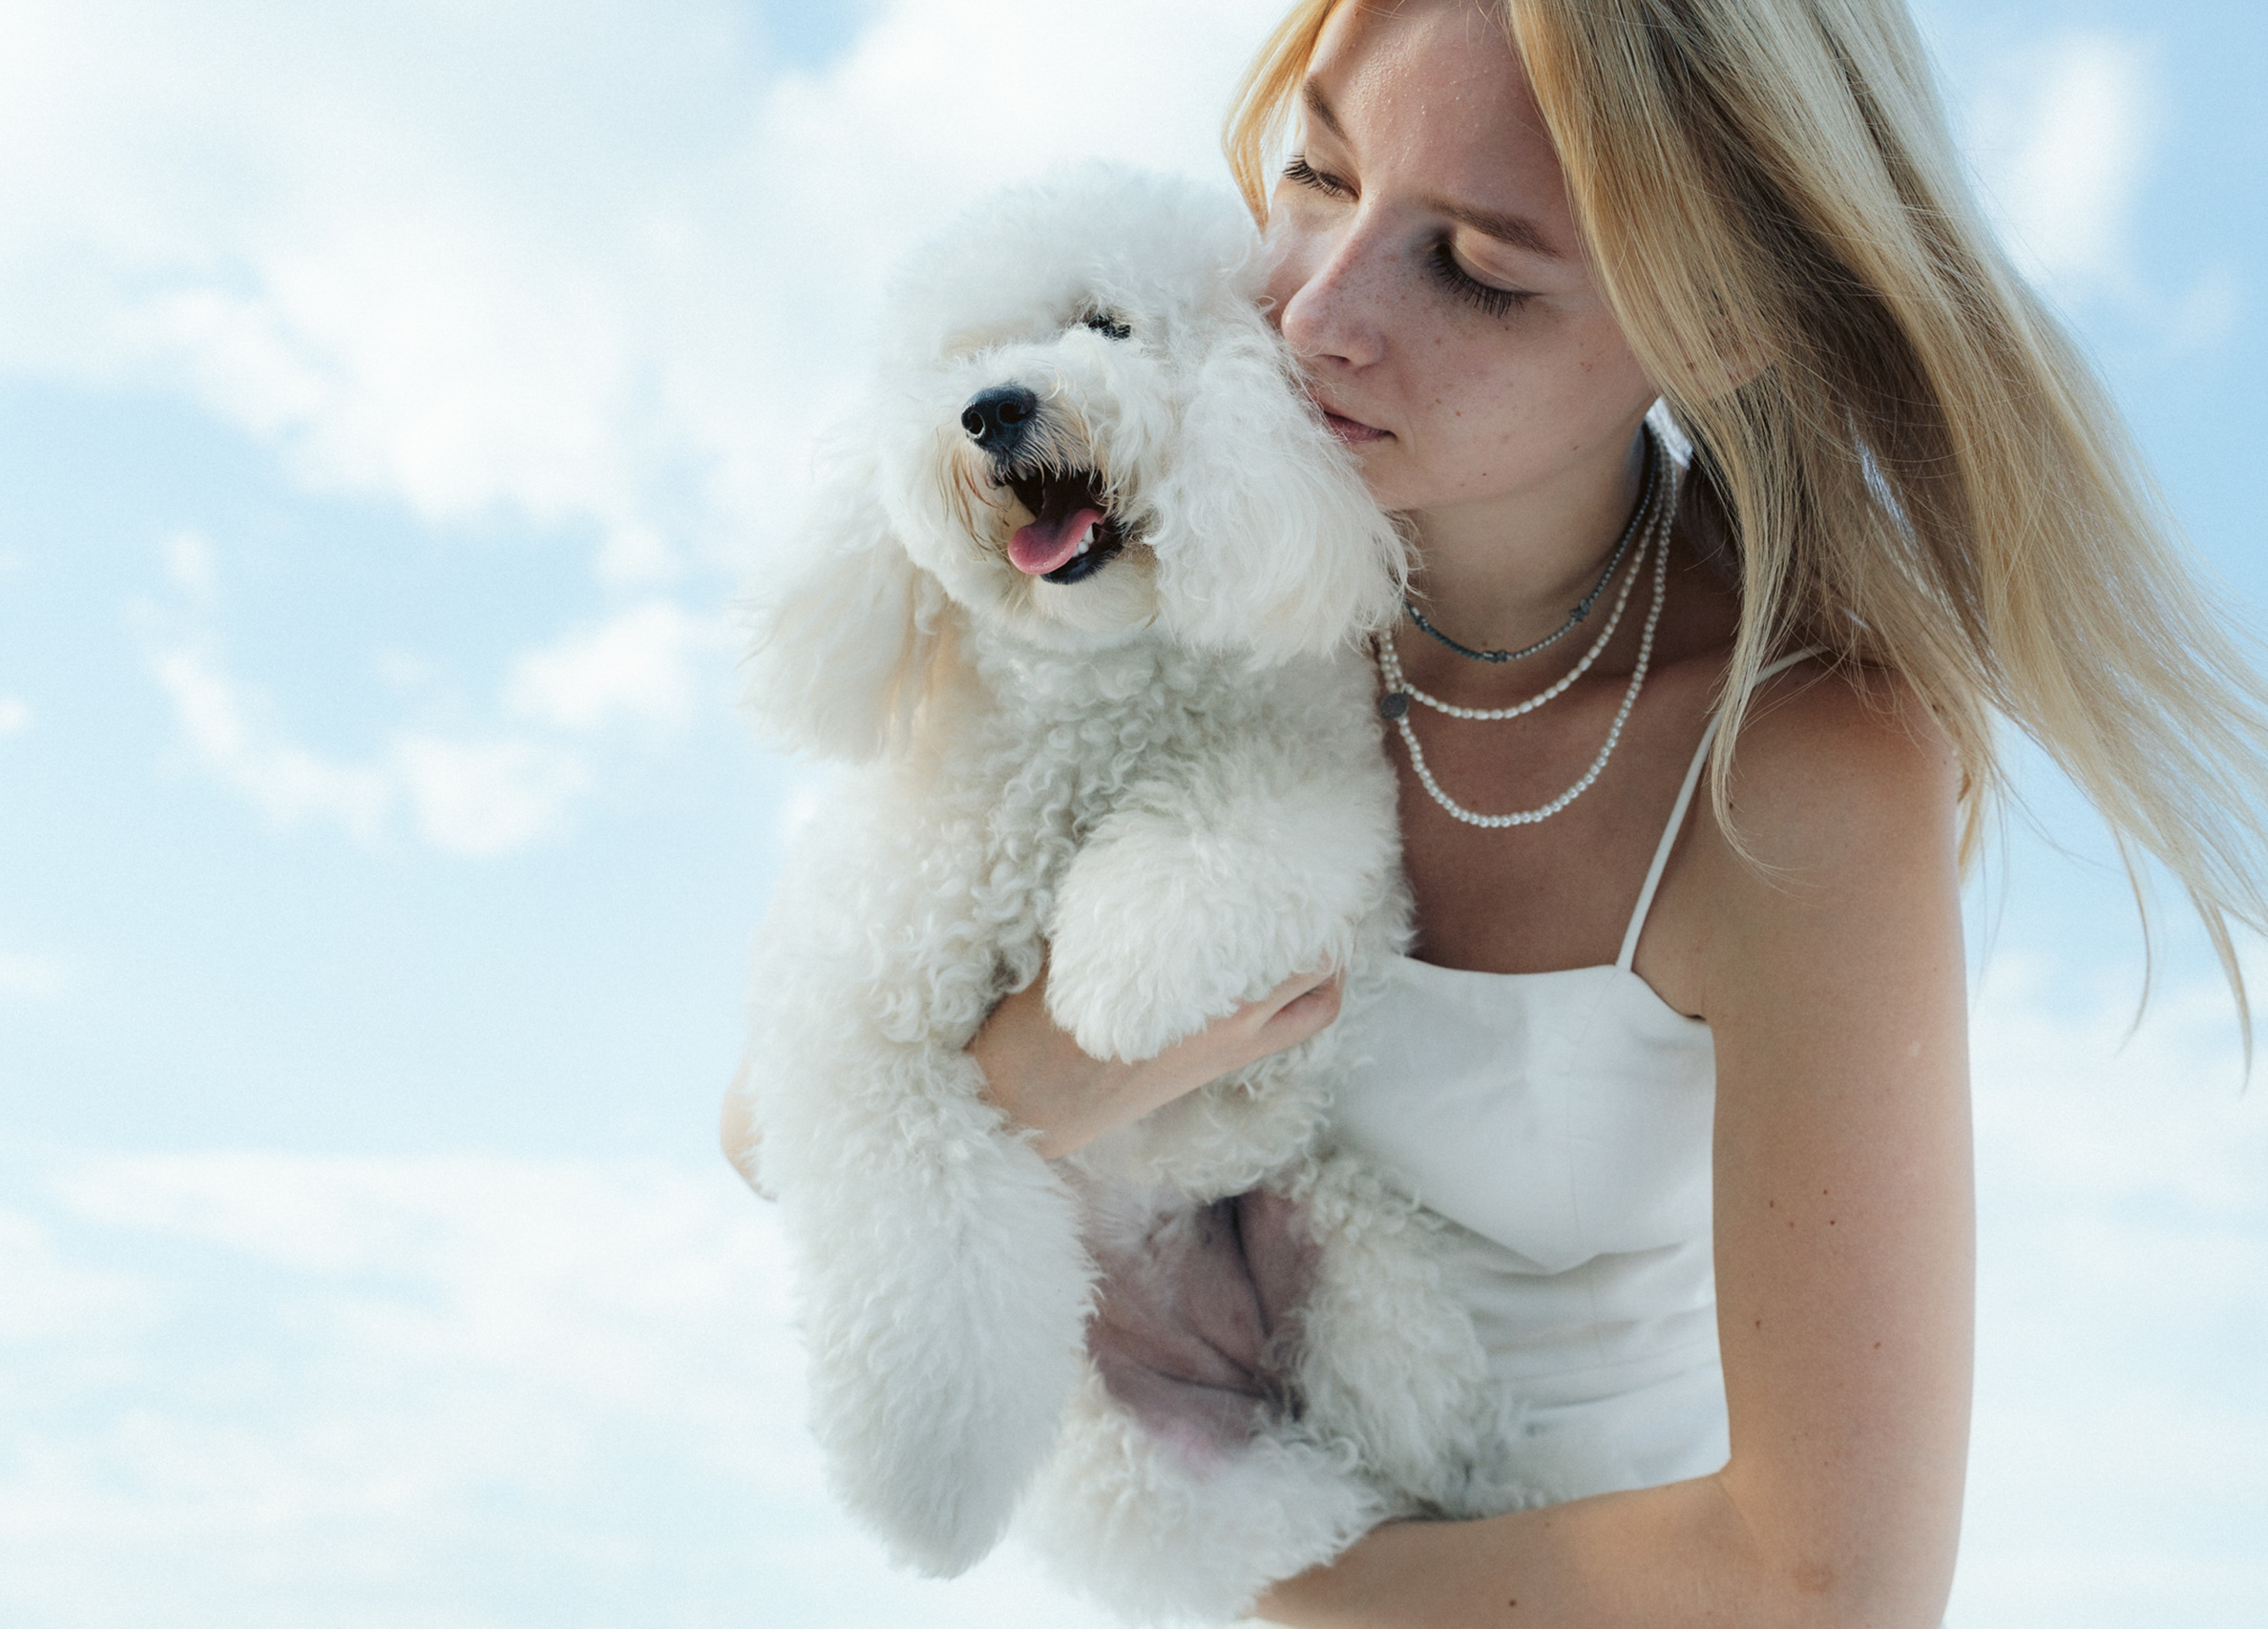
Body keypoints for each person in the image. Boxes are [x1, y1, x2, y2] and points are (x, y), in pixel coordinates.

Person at [726, 2, 2268, 1624]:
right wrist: (1049, 1072)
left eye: (1473, 268)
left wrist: (1245, 1598)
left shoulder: (1806, 772)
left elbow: (1831, 1584)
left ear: (1725, 318)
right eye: (1318, 173)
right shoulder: (1146, 576)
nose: (1317, 314)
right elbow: (773, 1126)